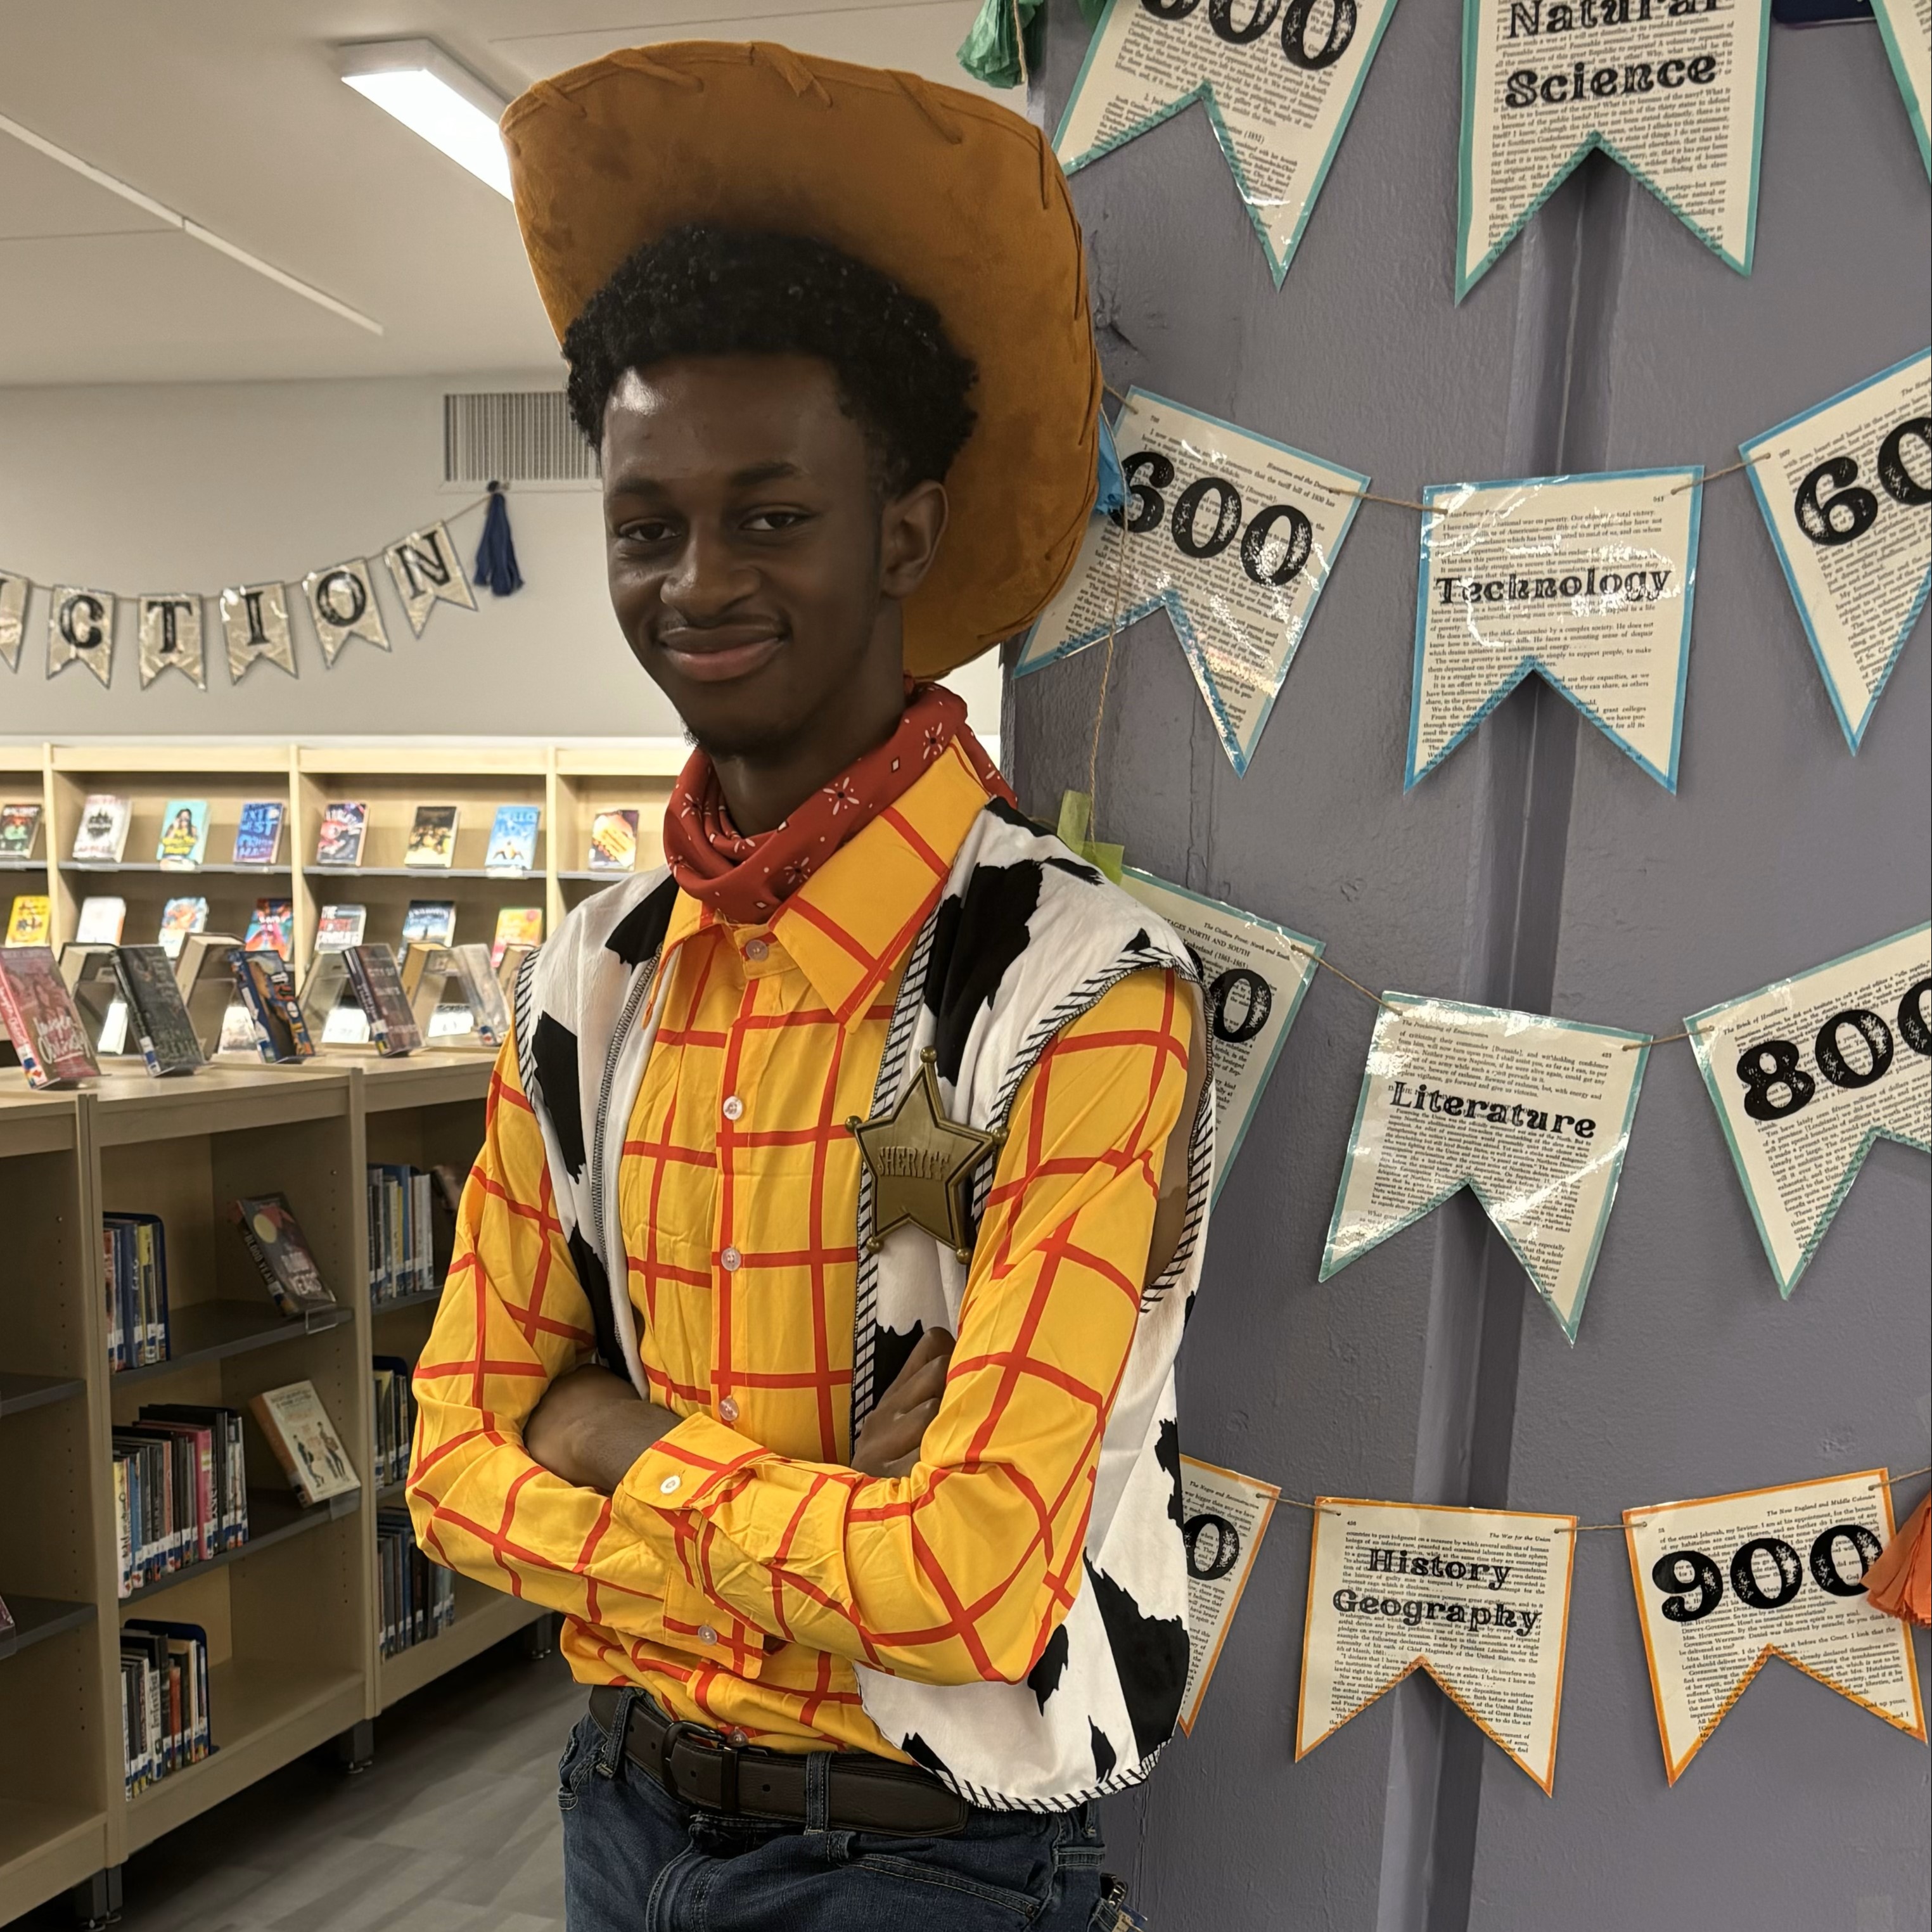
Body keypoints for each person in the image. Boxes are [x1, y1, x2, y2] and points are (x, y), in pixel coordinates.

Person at [407, 42, 1212, 1932]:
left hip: (918, 1856)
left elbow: (971, 1583)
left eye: (770, 515)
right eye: (645, 521)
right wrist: (798, 1510)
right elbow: (448, 1470)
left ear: (900, 534)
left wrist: (611, 1434)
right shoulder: (589, 978)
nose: (695, 578)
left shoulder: (1081, 990)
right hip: (619, 1803)